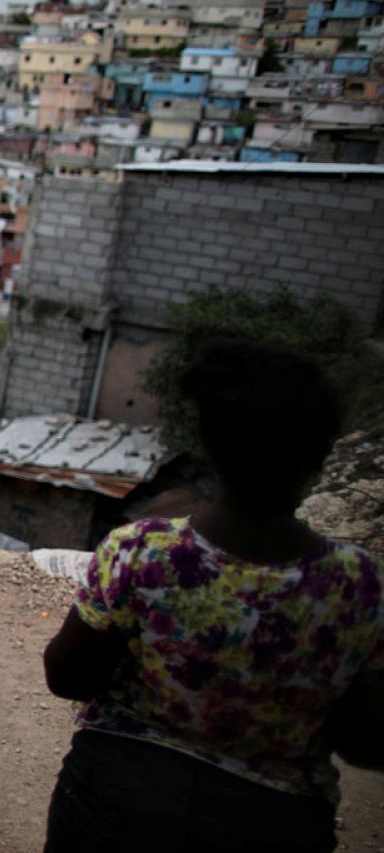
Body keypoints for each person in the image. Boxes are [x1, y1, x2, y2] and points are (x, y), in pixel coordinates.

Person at [41, 340, 383, 852]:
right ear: (317, 457)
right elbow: (367, 743)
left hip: (116, 801)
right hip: (274, 822)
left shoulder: (142, 553)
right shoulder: (357, 585)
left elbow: (67, 677)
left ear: (210, 448)